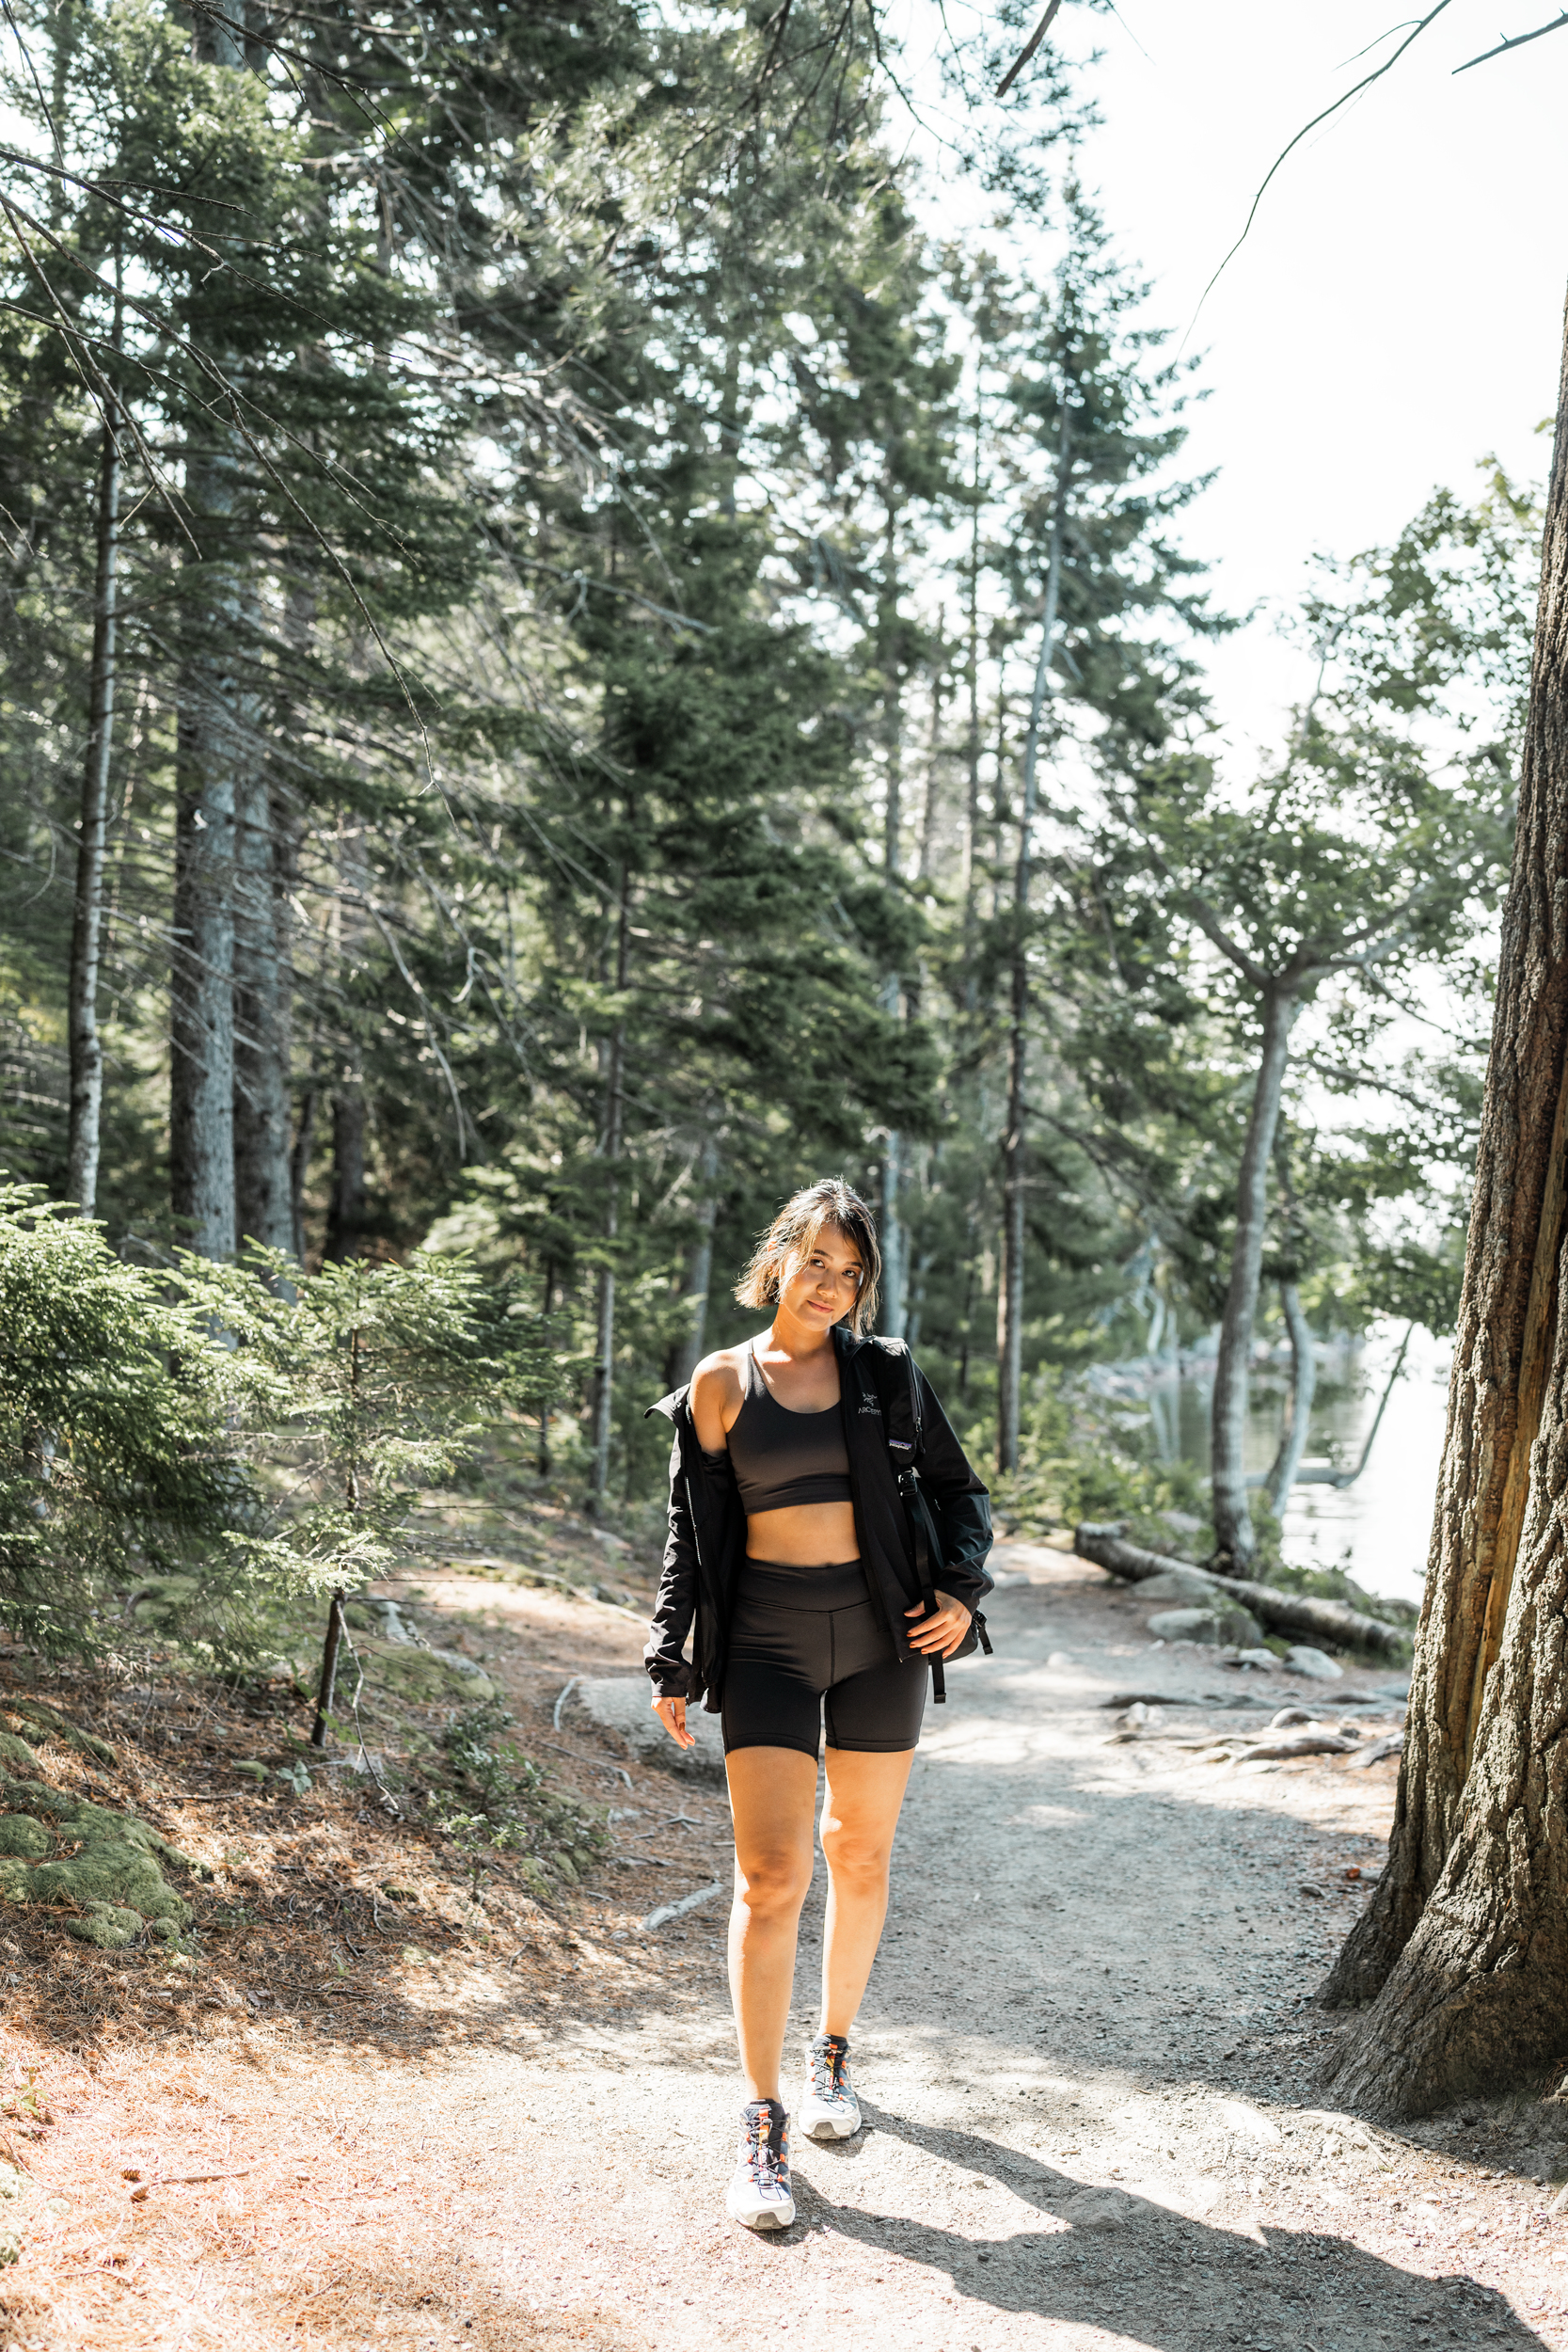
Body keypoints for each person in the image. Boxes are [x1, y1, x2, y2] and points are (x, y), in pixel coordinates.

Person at [644, 1177, 992, 2231]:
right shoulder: (717, 1384)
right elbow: (685, 1532)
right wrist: (669, 1653)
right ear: (780, 1257)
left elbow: (957, 1491)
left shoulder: (884, 1375)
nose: (832, 1286)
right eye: (817, 1263)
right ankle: (760, 2125)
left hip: (881, 1639)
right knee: (769, 1873)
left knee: (860, 1850)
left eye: (851, 1273)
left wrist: (959, 1594)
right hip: (766, 1647)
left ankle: (830, 2055)